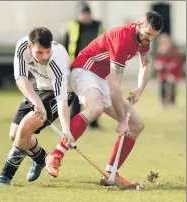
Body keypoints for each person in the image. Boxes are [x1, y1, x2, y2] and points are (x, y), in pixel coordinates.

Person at [45, 11, 163, 189]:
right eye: (147, 34)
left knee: (137, 125)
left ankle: (111, 173)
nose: (149, 39)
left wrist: (139, 89)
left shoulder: (143, 42)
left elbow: (145, 65)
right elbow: (115, 85)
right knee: (95, 108)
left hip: (101, 78)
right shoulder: (123, 37)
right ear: (139, 24)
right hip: (83, 70)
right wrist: (122, 120)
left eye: (153, 36)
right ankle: (55, 155)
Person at [0, 27, 75, 185]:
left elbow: (61, 98)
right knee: (15, 133)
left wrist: (66, 129)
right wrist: (37, 102)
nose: (44, 57)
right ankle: (41, 158)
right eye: (39, 52)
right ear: (30, 47)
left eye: (47, 51)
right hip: (39, 89)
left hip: (61, 93)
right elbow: (21, 78)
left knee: (24, 128)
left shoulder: (58, 57)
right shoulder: (22, 47)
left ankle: (5, 176)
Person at [64, 2, 104, 129]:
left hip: (94, 65)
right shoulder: (73, 25)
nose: (85, 17)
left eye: (87, 14)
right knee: (75, 95)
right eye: (83, 14)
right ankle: (74, 121)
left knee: (95, 93)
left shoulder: (98, 26)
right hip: (76, 64)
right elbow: (66, 44)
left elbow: (104, 44)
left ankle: (94, 122)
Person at [154, 33, 183, 107]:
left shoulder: (173, 50)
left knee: (172, 86)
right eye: (163, 42)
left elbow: (176, 62)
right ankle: (163, 101)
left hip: (172, 73)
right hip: (163, 73)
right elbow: (157, 62)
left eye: (166, 41)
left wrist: (169, 69)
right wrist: (159, 66)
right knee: (163, 85)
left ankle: (172, 102)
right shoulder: (159, 51)